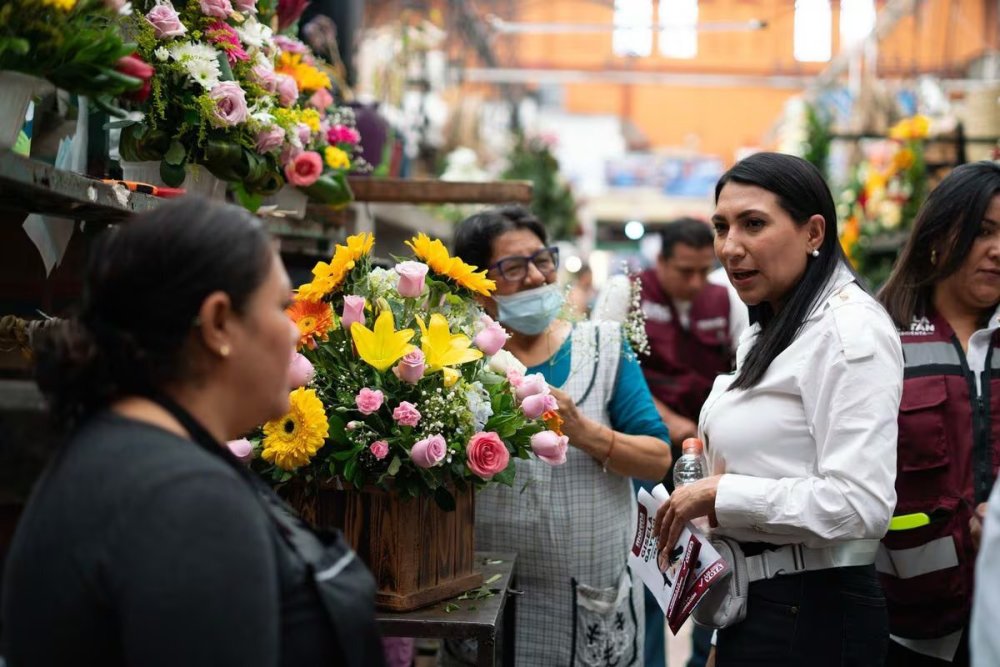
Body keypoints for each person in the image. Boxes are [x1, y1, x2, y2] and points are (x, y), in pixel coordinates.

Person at [1, 198, 385, 666]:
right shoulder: (189, 502)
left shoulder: (125, 452)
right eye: (281, 306)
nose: (294, 333)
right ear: (219, 322)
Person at [653, 152, 904, 666]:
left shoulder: (847, 332)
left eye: (754, 224)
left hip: (815, 614)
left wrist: (721, 493)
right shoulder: (773, 326)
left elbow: (861, 505)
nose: (730, 247)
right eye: (722, 226)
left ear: (814, 233)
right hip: (763, 607)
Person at [450, 204, 672, 665]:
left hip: (586, 595)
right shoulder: (452, 360)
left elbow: (656, 458)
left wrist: (584, 431)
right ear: (476, 284)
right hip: (488, 596)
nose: (535, 277)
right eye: (512, 267)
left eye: (542, 260)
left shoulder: (603, 346)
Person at [876, 160, 1000, 666]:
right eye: (984, 231)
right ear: (940, 232)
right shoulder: (880, 336)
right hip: (904, 625)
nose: (997, 250)